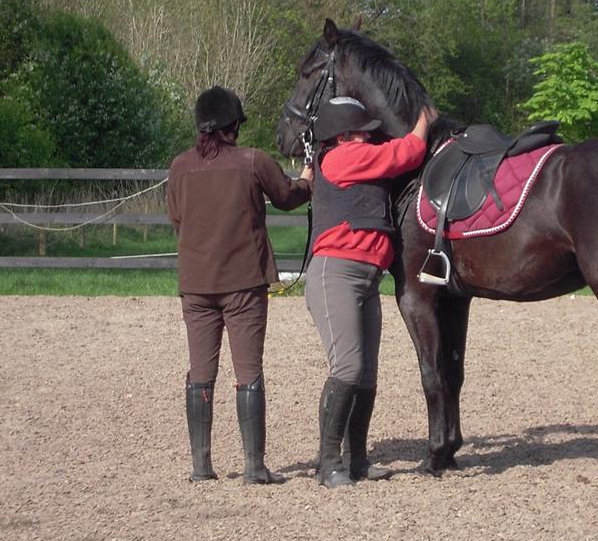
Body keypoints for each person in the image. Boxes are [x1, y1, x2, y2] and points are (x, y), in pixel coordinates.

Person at [168, 85, 312, 485]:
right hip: (244, 285)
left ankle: (201, 466)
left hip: (195, 285)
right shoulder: (253, 162)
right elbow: (286, 197)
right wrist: (307, 180)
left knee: (200, 371)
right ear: (234, 125)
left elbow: (177, 219)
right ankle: (253, 466)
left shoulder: (179, 167)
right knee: (248, 371)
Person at [306, 96, 434, 488]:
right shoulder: (342, 158)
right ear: (344, 135)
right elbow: (407, 152)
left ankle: (357, 460)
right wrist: (424, 121)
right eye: (364, 132)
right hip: (336, 274)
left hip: (366, 278)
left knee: (366, 374)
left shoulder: (356, 156)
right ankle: (328, 464)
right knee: (347, 368)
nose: (370, 138)